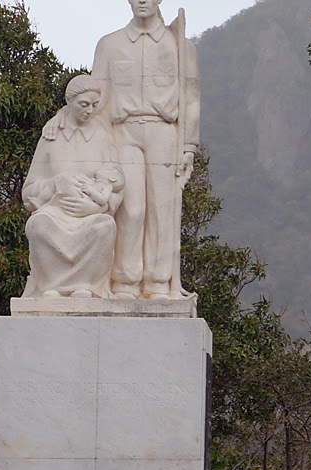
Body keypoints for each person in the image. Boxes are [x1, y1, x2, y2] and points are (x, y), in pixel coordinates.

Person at [91, 0, 200, 299]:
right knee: (131, 208)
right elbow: (95, 99)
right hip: (122, 129)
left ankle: (158, 282)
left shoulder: (179, 47)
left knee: (162, 208)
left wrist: (188, 145)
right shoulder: (109, 45)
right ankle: (125, 281)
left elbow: (190, 99)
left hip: (163, 130)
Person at [21, 75, 123, 299]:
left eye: (95, 105)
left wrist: (96, 208)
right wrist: (55, 183)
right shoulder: (51, 137)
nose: (89, 110)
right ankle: (51, 287)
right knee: (38, 223)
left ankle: (85, 285)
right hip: (56, 211)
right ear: (69, 102)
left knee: (104, 226)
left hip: (90, 213)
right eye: (84, 104)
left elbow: (116, 186)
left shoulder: (104, 137)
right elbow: (29, 192)